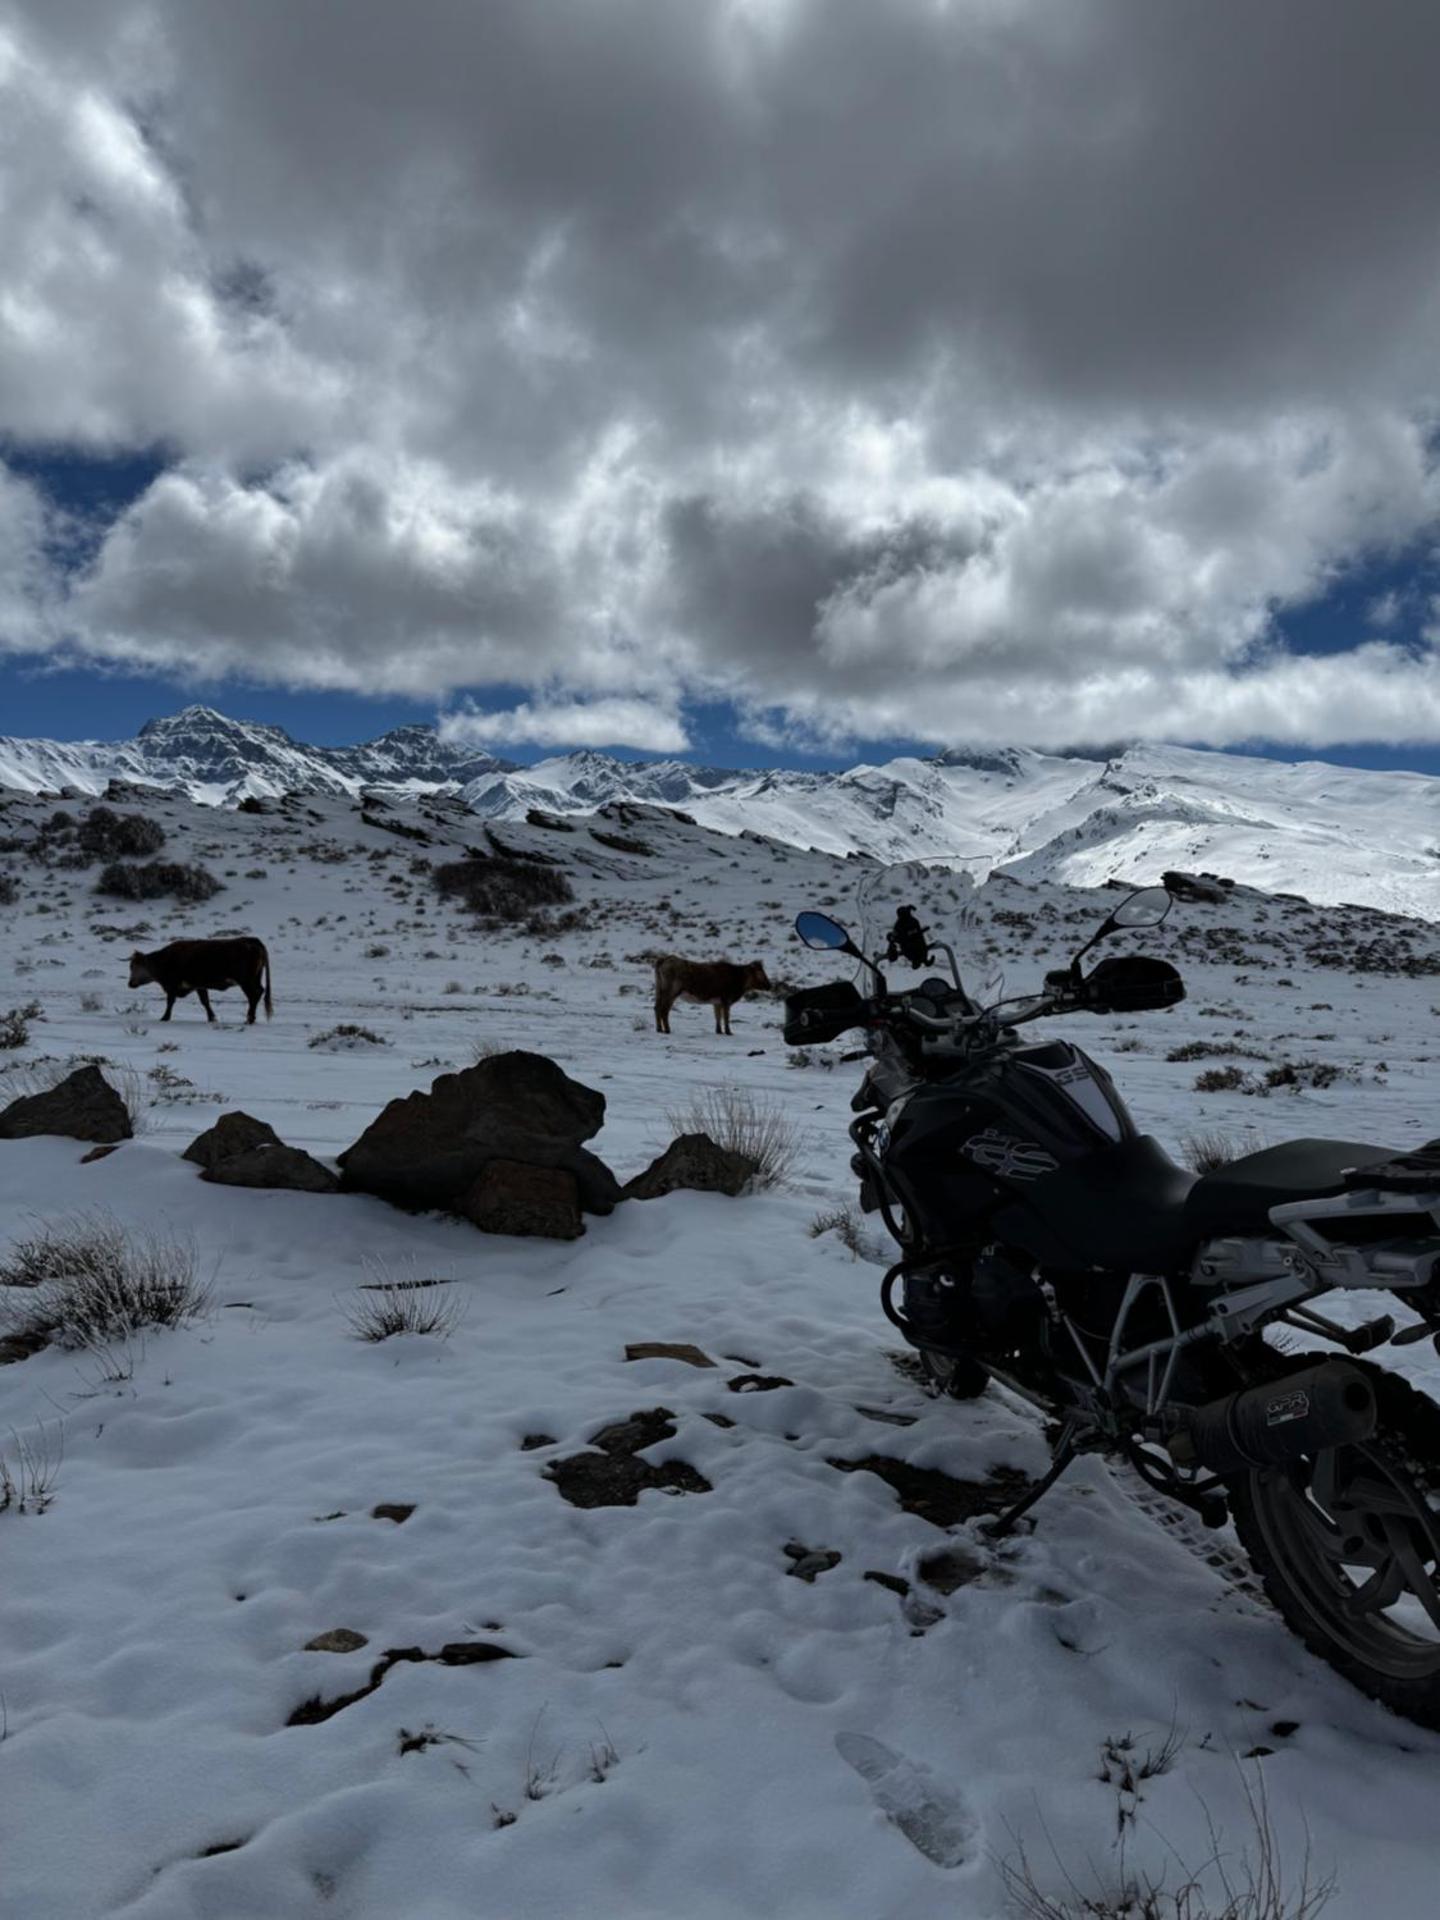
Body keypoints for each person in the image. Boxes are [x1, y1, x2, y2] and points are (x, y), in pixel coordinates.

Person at [885, 905, 929, 970]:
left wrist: (892, 940)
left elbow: (896, 937)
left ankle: (923, 959)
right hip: (916, 949)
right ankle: (923, 959)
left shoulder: (904, 923)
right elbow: (896, 937)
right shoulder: (908, 922)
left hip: (915, 949)